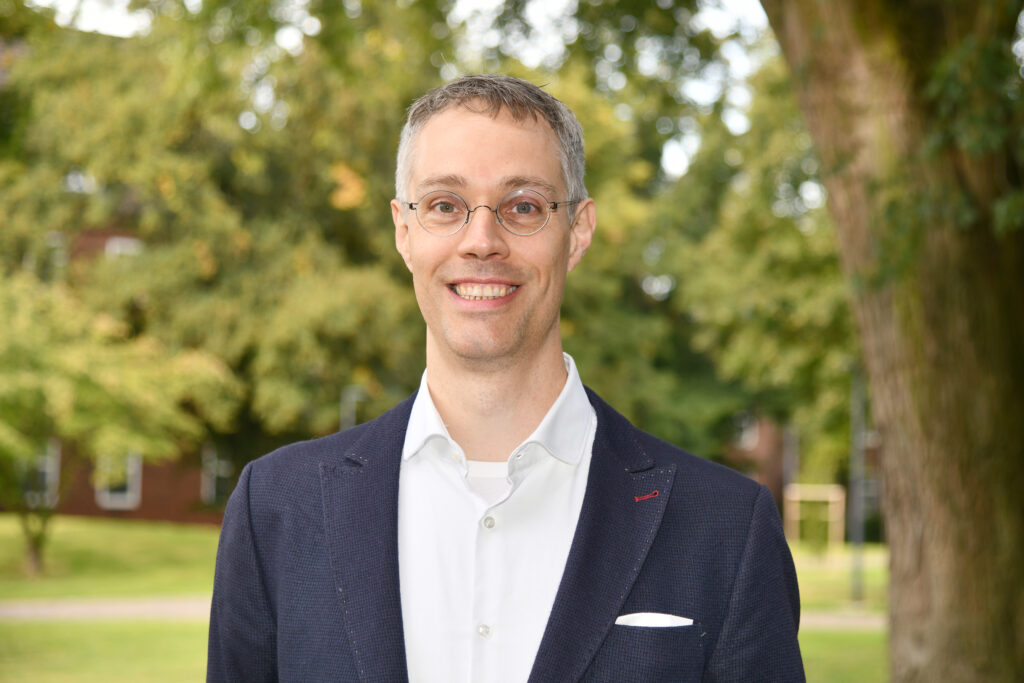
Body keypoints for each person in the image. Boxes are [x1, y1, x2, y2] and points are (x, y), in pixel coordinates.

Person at [207, 74, 804, 683]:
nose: (482, 242)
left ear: (578, 232)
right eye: (445, 205)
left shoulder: (728, 528)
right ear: (403, 230)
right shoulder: (278, 509)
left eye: (523, 207)